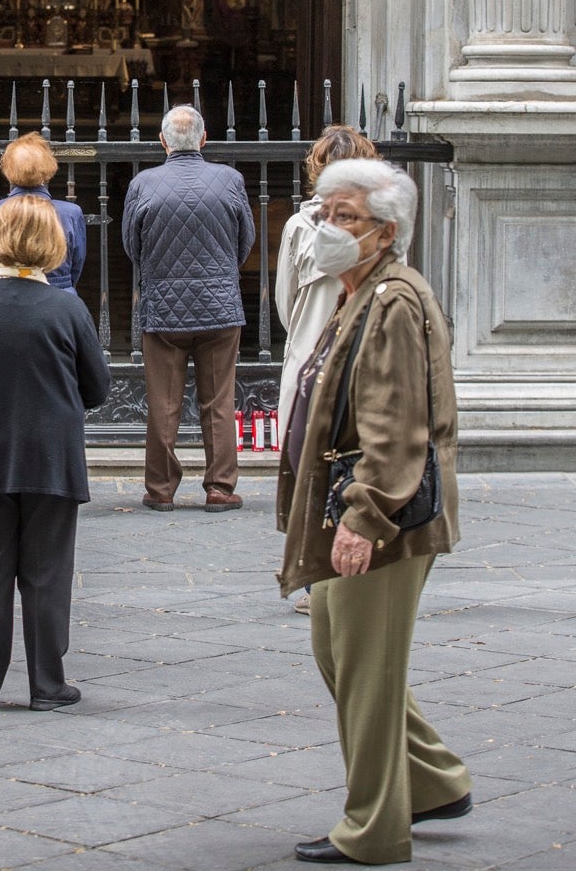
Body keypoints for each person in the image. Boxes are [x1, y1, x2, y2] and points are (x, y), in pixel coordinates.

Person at [277, 158, 472, 865]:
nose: (328, 228)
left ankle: (373, 829)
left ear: (385, 232)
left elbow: (394, 426)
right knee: (341, 652)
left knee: (364, 668)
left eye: (346, 217)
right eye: (325, 214)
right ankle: (433, 780)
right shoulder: (354, 292)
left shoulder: (391, 301)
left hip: (377, 513)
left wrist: (365, 518)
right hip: (344, 504)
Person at [0, 195, 111, 711]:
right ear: (53, 243)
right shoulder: (67, 308)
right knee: (48, 573)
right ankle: (48, 684)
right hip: (52, 458)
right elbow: (96, 389)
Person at [122, 104, 255, 512]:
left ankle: (160, 489)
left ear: (162, 142)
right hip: (220, 308)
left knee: (163, 403)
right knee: (218, 401)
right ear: (203, 139)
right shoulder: (230, 180)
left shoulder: (144, 183)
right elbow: (244, 240)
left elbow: (132, 246)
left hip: (163, 310)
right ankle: (219, 486)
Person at [275, 124, 377, 613]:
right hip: (363, 359)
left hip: (311, 357)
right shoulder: (383, 225)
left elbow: (284, 297)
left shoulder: (301, 227)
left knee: (312, 468)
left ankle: (320, 579)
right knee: (357, 462)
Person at [0, 132, 86, 293]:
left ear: (8, 169)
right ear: (49, 167)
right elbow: (76, 264)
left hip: (3, 295)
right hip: (59, 293)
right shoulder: (71, 212)